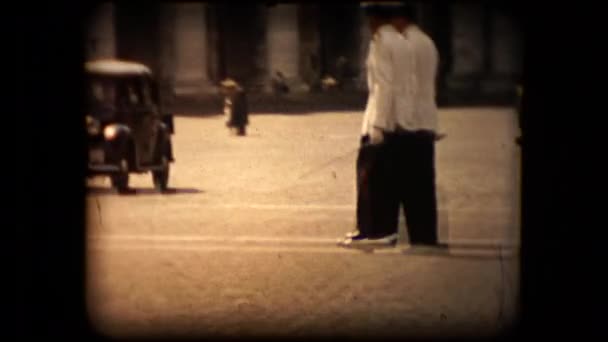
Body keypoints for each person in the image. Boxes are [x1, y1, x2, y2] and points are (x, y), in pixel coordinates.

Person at [338, 2, 417, 247]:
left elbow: (383, 86)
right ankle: (379, 230)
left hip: (380, 119)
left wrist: (378, 125)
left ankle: (373, 231)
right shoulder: (403, 42)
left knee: (370, 179)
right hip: (397, 120)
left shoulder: (381, 42)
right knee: (385, 179)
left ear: (373, 19)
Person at [383, 3, 445, 248]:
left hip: (410, 124)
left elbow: (405, 88)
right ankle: (425, 235)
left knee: (402, 184)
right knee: (423, 184)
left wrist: (398, 121)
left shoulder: (406, 44)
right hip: (426, 120)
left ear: (399, 21)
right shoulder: (427, 42)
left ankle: (410, 235)